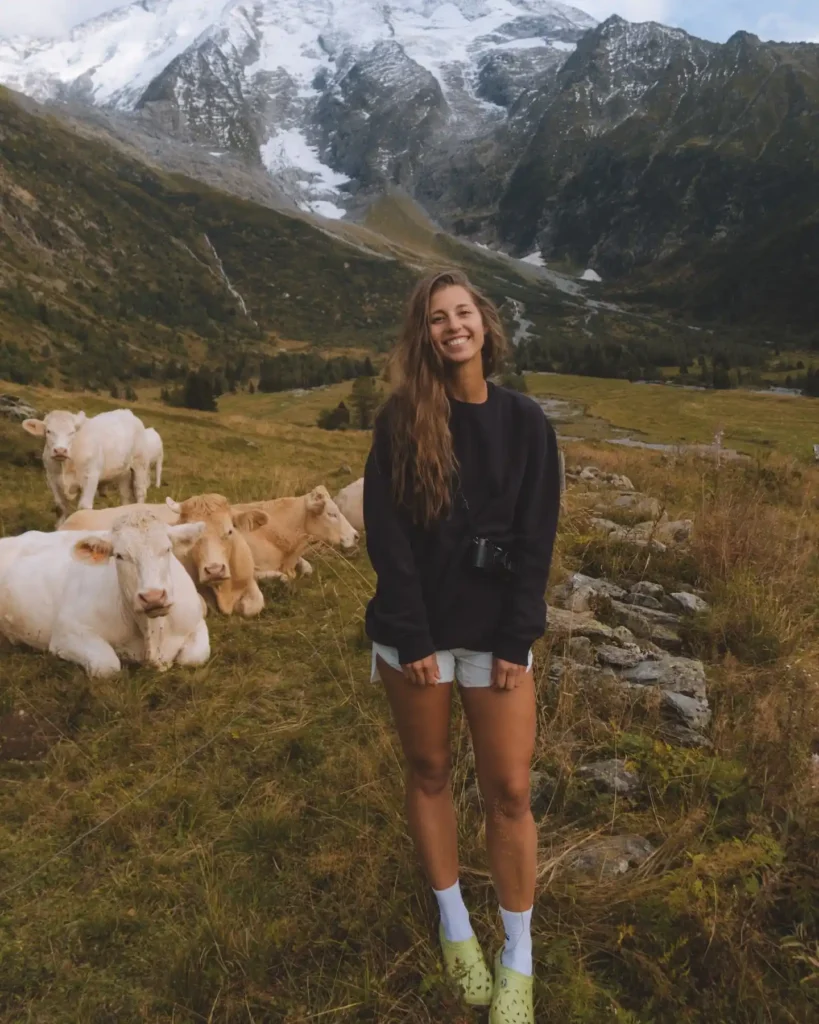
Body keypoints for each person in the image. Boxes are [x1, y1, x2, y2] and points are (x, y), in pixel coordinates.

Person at [363, 269, 561, 1022]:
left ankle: (518, 953)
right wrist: (410, 633)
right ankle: (455, 932)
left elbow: (536, 538)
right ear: (424, 334)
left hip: (495, 640)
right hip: (416, 636)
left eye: (463, 312)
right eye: (437, 317)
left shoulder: (525, 422)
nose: (452, 326)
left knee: (509, 790)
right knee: (430, 771)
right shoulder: (401, 418)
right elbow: (388, 537)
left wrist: (517, 638)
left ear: (484, 322)